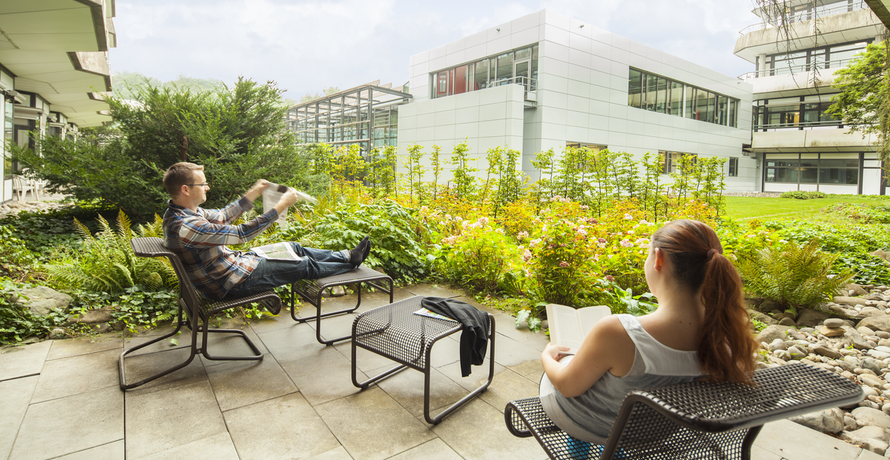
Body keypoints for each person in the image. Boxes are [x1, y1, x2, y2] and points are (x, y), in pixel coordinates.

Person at [539, 219, 758, 450]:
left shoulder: (619, 332)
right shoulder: (725, 334)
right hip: (658, 431)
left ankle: (579, 453)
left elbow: (566, 386)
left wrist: (547, 356)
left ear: (659, 259)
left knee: (559, 368)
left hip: (596, 427)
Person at [162, 162, 369, 302]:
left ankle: (347, 256)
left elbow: (224, 215)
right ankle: (351, 263)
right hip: (231, 283)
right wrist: (280, 207)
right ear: (185, 189)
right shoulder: (187, 227)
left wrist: (254, 192)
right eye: (203, 183)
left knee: (293, 247)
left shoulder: (184, 213)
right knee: (302, 265)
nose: (207, 187)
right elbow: (242, 234)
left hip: (235, 265)